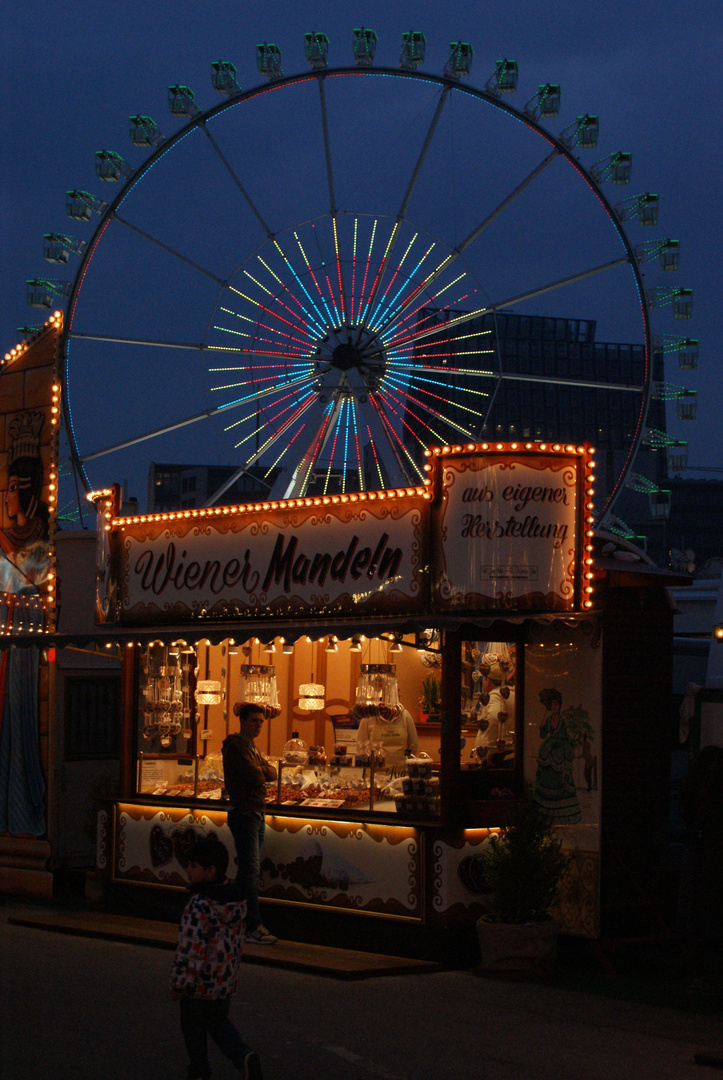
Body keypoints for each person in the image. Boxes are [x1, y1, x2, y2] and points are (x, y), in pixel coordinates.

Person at [170, 832, 263, 1080]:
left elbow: (190, 948)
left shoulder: (199, 904)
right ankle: (243, 1056)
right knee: (219, 1023)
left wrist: (181, 983)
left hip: (198, 984)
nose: (188, 871)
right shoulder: (235, 902)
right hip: (223, 981)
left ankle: (199, 1070)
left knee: (192, 1027)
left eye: (193, 866)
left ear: (210, 871)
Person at [222, 702, 278, 944]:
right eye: (255, 721)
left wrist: (261, 769)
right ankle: (252, 926)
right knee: (251, 872)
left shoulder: (251, 748)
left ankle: (233, 920)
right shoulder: (235, 746)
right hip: (244, 813)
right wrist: (261, 770)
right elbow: (257, 775)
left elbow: (272, 773)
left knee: (248, 872)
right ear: (243, 721)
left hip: (255, 813)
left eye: (261, 722)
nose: (259, 726)